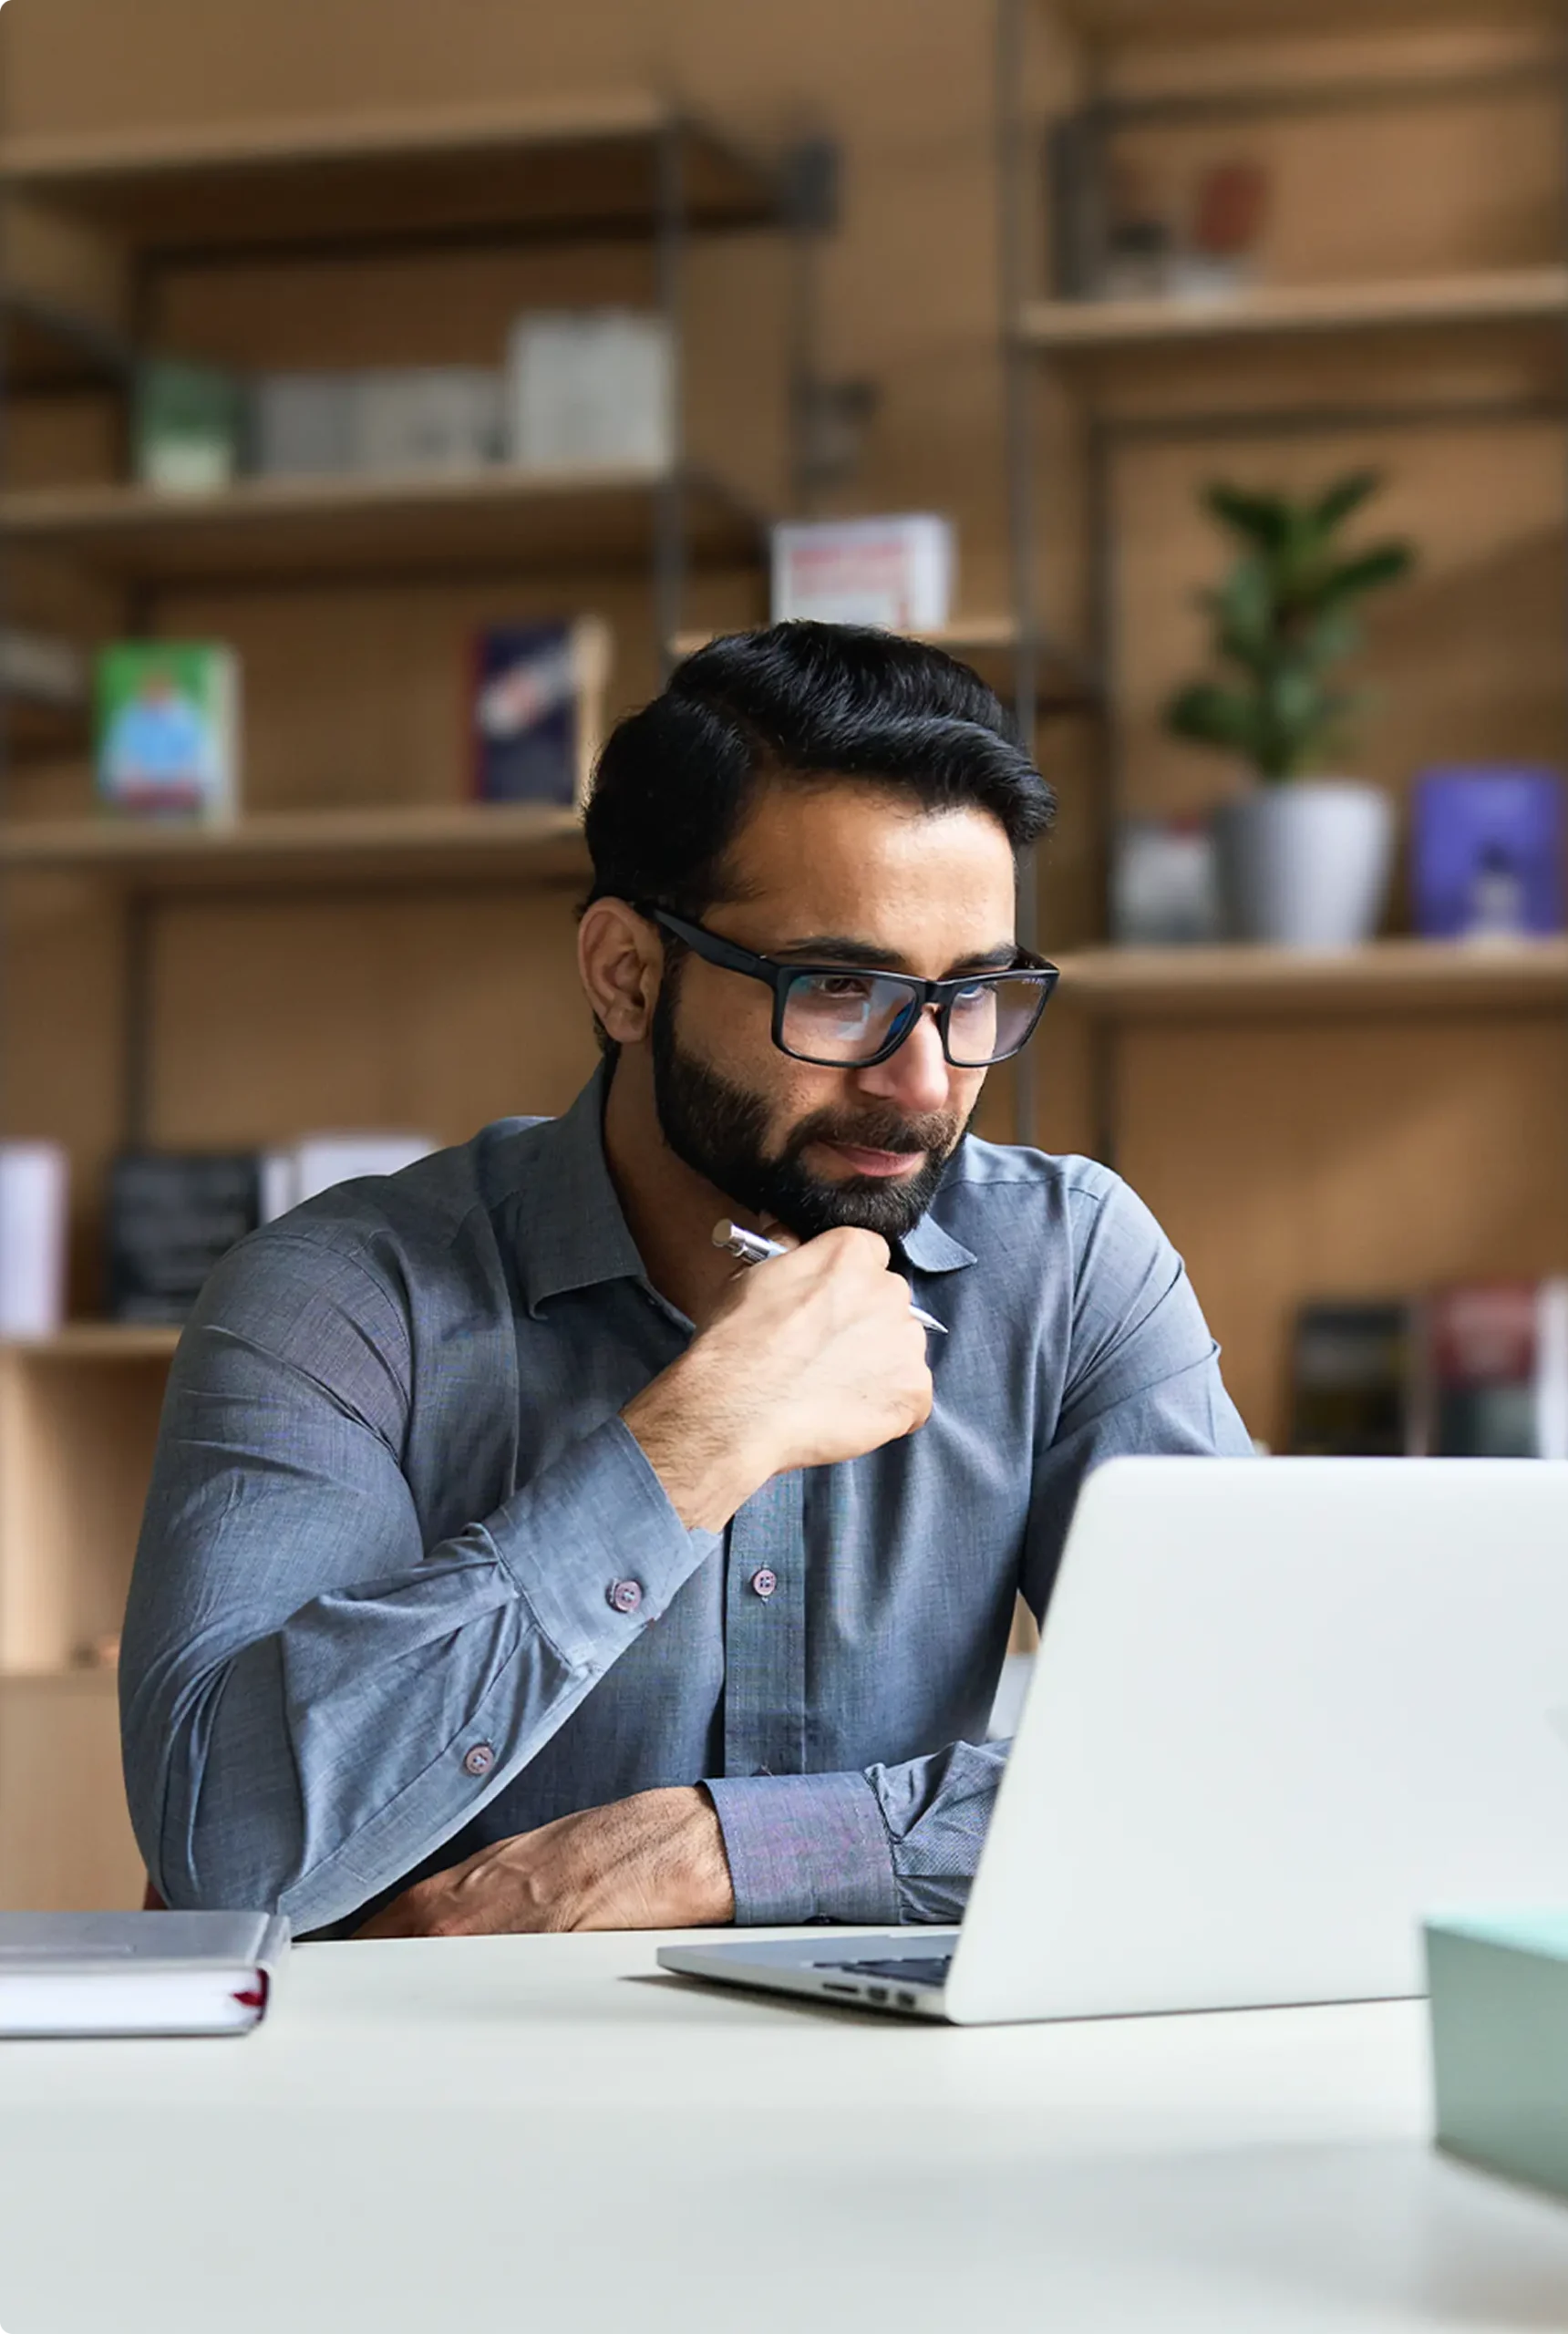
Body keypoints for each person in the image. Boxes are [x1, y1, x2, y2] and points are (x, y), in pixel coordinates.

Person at [119, 623, 1250, 1939]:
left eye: (976, 996)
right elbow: (228, 1854)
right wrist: (692, 1444)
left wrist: (715, 1852)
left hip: (914, 2099)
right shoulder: (339, 1301)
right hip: (451, 2114)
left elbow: (1249, 1754)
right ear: (626, 974)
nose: (928, 1081)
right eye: (839, 989)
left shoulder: (1069, 1265)